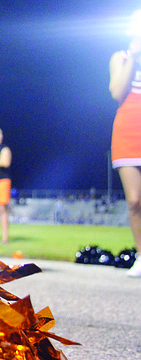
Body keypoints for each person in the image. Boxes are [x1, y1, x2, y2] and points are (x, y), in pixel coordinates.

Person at [109, 9, 141, 277]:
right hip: (128, 130)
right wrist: (134, 55)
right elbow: (117, 91)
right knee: (134, 200)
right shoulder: (121, 57)